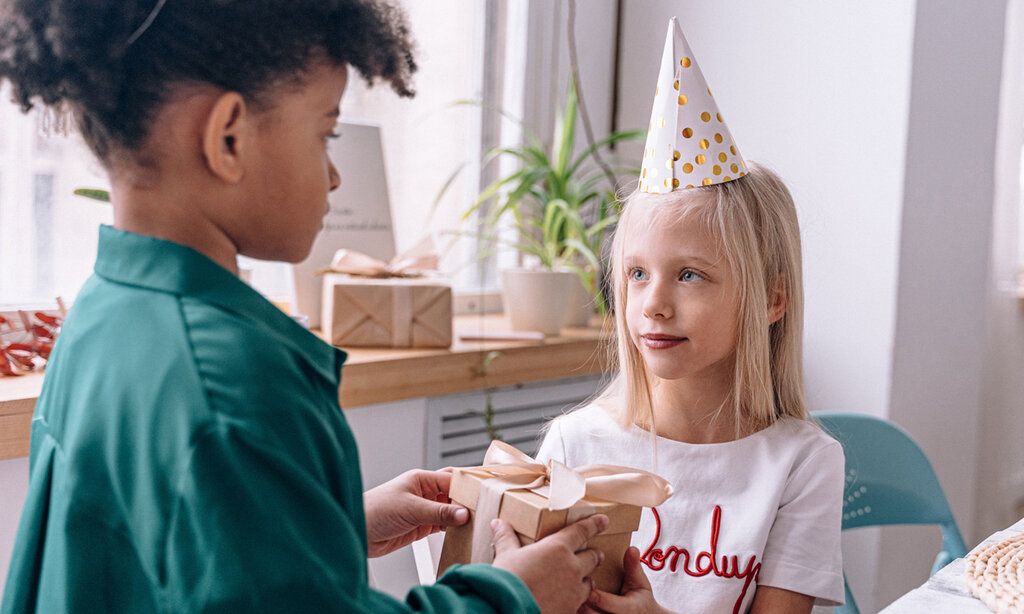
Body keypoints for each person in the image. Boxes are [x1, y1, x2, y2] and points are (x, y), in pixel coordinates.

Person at [0, 1, 607, 612]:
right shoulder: (233, 380)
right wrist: (512, 596)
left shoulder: (104, 313)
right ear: (228, 137)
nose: (335, 176)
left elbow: (156, 556)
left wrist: (330, 526)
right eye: (325, 133)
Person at [536, 18, 845, 614]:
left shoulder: (802, 464)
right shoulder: (573, 445)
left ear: (771, 300)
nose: (653, 302)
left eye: (691, 274)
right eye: (636, 274)